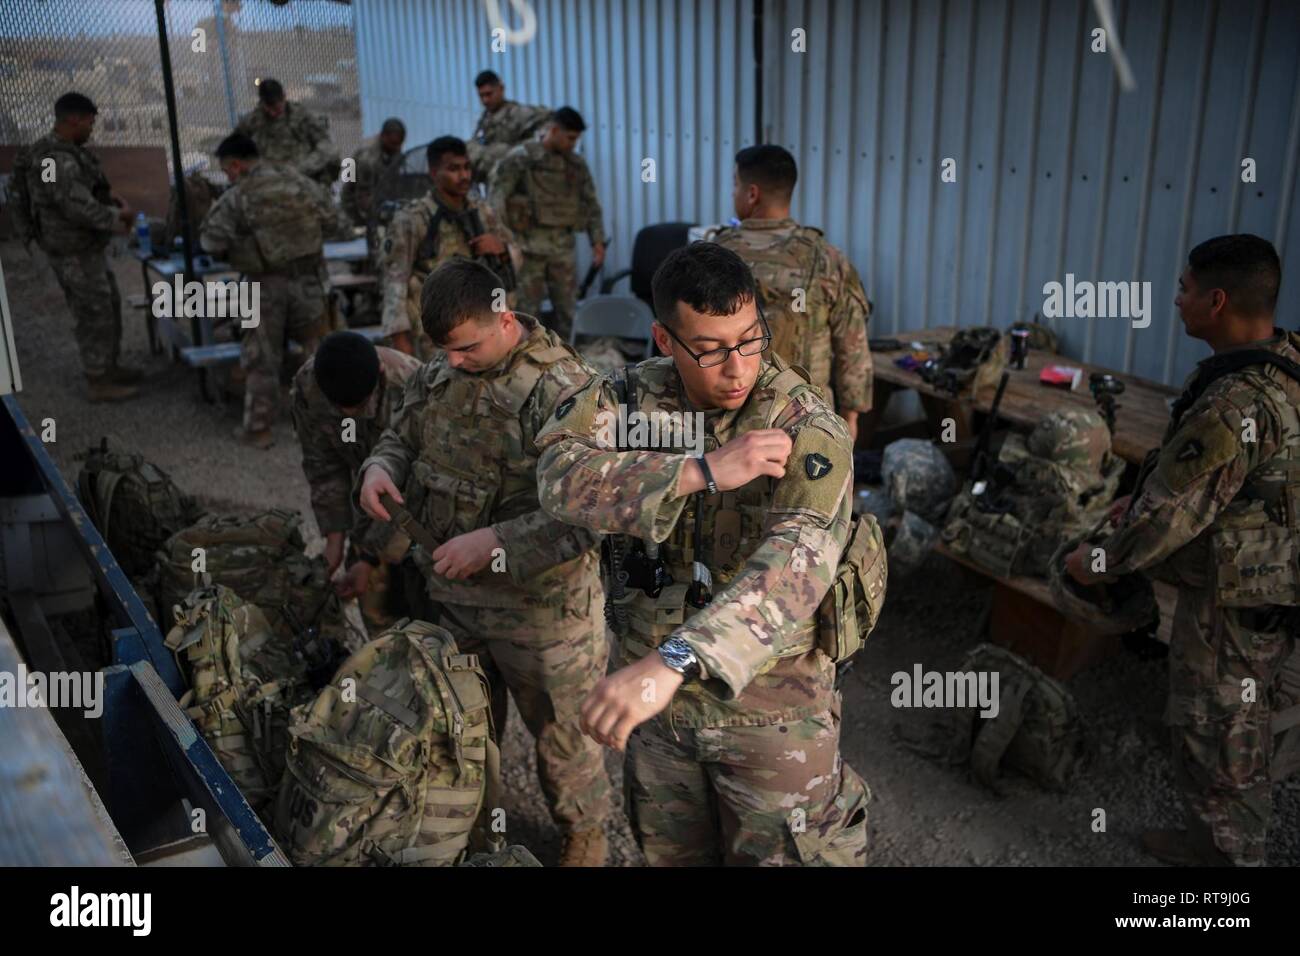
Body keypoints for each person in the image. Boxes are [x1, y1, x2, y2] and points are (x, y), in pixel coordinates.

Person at [534, 242, 872, 866]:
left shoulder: (805, 425)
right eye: (711, 350)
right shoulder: (629, 401)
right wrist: (695, 472)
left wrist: (673, 661)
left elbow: (794, 571)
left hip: (771, 719)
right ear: (665, 340)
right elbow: (557, 476)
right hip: (662, 724)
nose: (738, 368)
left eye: (750, 340)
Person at [357, 258, 613, 866]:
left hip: (543, 614)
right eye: (442, 351)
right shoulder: (439, 371)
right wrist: (379, 466)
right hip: (452, 602)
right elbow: (403, 434)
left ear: (504, 320)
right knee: (468, 731)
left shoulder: (568, 393)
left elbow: (596, 512)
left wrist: (495, 542)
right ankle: (481, 835)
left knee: (564, 737)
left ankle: (584, 835)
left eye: (466, 348)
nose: (453, 362)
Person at [1065, 234, 1300, 867]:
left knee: (1221, 739)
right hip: (1279, 595)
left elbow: (1162, 520)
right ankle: (1212, 845)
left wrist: (1094, 562)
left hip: (1236, 611)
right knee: (1259, 730)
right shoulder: (1287, 365)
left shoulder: (1234, 404)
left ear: (1216, 301)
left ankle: (1224, 874)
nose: (1176, 302)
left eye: (1184, 290)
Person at [199, 133, 349, 448]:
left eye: (226, 170)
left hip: (262, 286)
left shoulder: (239, 195)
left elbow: (211, 241)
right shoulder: (300, 182)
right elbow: (335, 222)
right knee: (318, 353)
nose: (227, 176)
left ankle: (259, 428)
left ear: (236, 165)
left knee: (261, 357)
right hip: (309, 280)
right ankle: (328, 427)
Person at [714, 145, 872, 440]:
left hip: (729, 423)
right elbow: (852, 346)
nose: (733, 194)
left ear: (752, 194)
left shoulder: (715, 255)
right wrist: (850, 417)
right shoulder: (826, 259)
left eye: (735, 185)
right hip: (807, 417)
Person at [290, 331, 422, 631]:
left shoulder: (412, 386)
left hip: (424, 498)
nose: (347, 415)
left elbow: (418, 484)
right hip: (372, 492)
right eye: (338, 407)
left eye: (358, 405)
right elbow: (324, 466)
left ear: (378, 373)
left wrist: (370, 556)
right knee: (374, 601)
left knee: (423, 595)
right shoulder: (309, 388)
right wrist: (334, 541)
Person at [11, 92, 138, 402]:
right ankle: (98, 382)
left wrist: (111, 204)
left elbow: (84, 194)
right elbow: (73, 205)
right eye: (90, 122)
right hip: (71, 250)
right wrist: (118, 217)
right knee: (93, 312)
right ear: (73, 120)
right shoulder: (53, 161)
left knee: (109, 305)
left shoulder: (65, 153)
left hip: (85, 247)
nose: (92, 128)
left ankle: (110, 367)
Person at [379, 136, 519, 359]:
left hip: (481, 321)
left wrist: (501, 248)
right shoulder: (412, 219)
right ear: (434, 173)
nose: (464, 176)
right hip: (437, 330)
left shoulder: (483, 212)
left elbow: (516, 257)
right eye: (454, 169)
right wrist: (401, 342)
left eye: (466, 167)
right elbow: (395, 282)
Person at [490, 107, 606, 341]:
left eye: (576, 139)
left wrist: (598, 241)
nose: (573, 144)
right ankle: (524, 360)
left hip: (562, 249)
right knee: (525, 312)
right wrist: (503, 241)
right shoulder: (521, 158)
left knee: (567, 311)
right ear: (554, 130)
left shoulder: (575, 165)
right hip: (528, 249)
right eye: (570, 138)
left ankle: (567, 361)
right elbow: (497, 200)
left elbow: (591, 203)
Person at [235, 78, 340, 187]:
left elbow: (326, 146)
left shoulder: (301, 116)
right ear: (261, 103)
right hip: (266, 180)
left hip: (301, 177)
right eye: (268, 108)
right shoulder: (253, 121)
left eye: (277, 108)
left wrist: (303, 167)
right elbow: (233, 149)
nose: (272, 113)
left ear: (284, 97)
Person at [466, 69, 549, 185]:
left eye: (489, 94)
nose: (485, 100)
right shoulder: (485, 119)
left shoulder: (519, 113)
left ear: (501, 89)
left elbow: (547, 133)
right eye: (481, 96)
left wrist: (508, 152)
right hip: (494, 184)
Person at [341, 117, 406, 226]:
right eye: (394, 144)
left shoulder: (391, 148)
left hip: (376, 198)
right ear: (383, 136)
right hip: (354, 211)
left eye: (400, 143)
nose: (398, 147)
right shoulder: (367, 159)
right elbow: (363, 196)